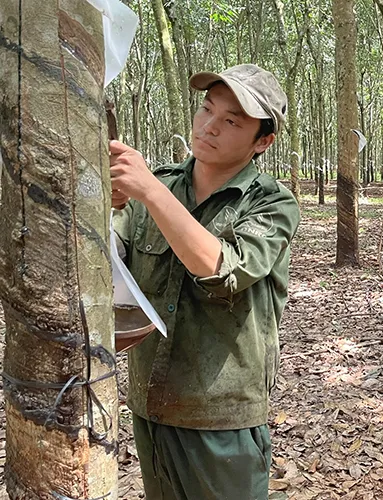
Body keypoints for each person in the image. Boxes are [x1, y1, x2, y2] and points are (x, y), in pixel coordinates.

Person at [110, 64, 300, 499]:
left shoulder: (272, 202)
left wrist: (149, 195)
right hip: (150, 402)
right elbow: (110, 255)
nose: (209, 127)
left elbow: (224, 271)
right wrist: (107, 199)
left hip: (221, 415)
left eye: (232, 121)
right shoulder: (160, 184)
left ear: (263, 142)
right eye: (207, 110)